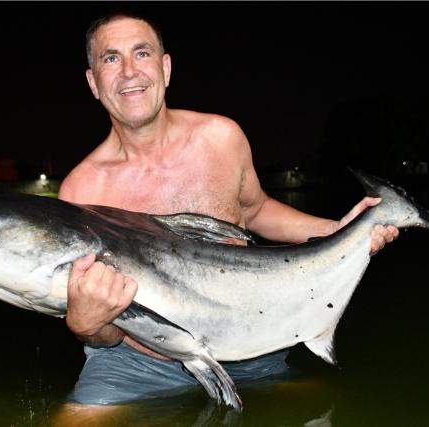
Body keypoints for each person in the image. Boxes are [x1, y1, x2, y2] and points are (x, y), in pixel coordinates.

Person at [56, 11, 398, 419]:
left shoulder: (221, 137)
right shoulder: (80, 193)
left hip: (248, 346)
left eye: (141, 53)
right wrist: (87, 326)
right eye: (111, 58)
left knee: (331, 404)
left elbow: (256, 209)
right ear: (94, 82)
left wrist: (338, 230)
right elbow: (108, 327)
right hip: (140, 364)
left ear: (166, 68)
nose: (129, 71)